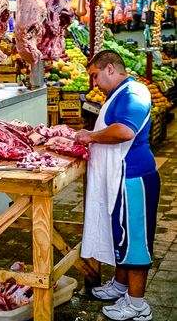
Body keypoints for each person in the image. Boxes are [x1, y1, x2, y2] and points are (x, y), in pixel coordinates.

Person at [76, 50, 160, 321]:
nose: (94, 83)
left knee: (135, 241)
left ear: (110, 68)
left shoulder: (134, 93)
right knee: (122, 236)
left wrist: (91, 136)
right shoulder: (119, 93)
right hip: (121, 178)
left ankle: (137, 305)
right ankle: (121, 286)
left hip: (133, 179)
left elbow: (125, 131)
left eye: (95, 75)